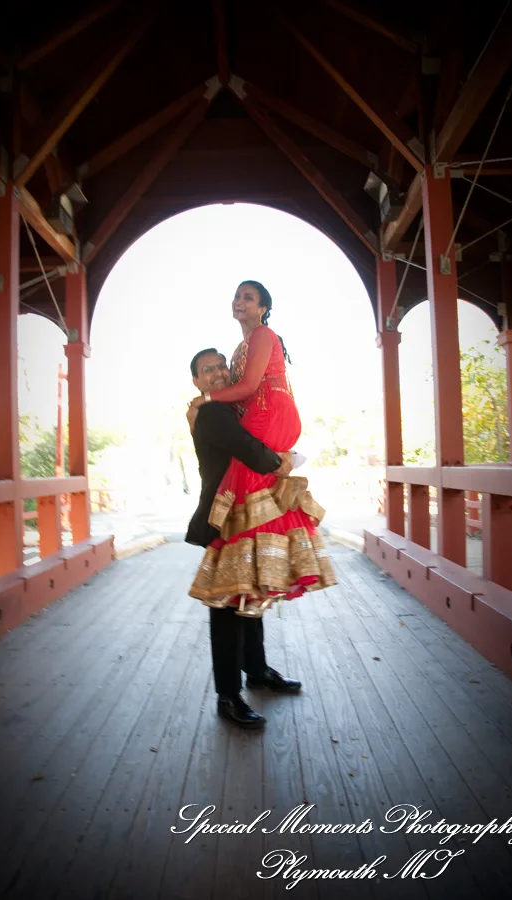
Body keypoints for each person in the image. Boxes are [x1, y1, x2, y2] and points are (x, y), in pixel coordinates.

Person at [188, 280, 336, 618]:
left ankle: (252, 572)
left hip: (271, 412)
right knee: (254, 483)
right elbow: (239, 398)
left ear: (263, 308)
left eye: (248, 297)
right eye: (237, 296)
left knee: (246, 476)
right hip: (260, 415)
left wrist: (205, 399)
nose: (240, 301)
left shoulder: (262, 336)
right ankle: (259, 573)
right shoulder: (239, 348)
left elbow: (250, 387)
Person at [186, 347, 302, 730]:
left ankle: (256, 670)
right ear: (197, 382)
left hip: (241, 512)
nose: (217, 374)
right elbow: (250, 452)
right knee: (225, 606)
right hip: (223, 518)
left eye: (221, 366)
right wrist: (282, 462)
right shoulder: (215, 413)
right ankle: (228, 696)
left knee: (247, 595)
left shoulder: (232, 408)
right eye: (208, 371)